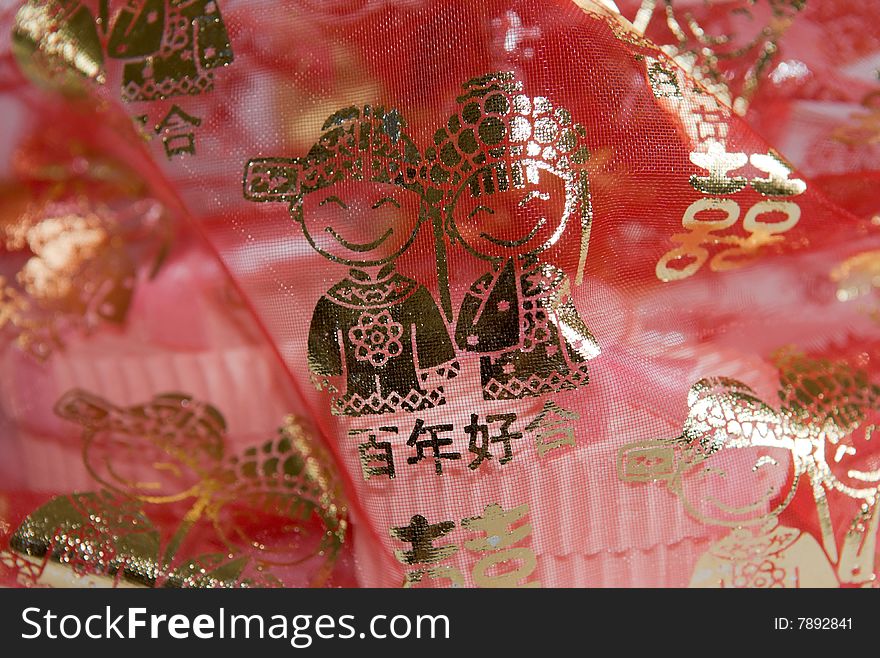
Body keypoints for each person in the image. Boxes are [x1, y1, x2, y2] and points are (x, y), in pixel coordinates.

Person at [244, 106, 458, 417]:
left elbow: (437, 350)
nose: (362, 214)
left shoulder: (415, 292)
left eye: (381, 203)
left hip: (416, 404)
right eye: (336, 204)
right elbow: (321, 366)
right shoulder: (330, 297)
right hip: (359, 409)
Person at [434, 72, 599, 401]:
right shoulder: (486, 287)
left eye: (532, 202)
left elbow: (566, 315)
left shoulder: (551, 277)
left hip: (555, 363)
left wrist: (586, 345)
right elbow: (472, 327)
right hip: (504, 376)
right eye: (482, 212)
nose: (509, 220)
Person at [618, 377, 838, 587]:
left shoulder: (796, 547)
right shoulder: (716, 559)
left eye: (757, 471)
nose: (718, 487)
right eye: (713, 477)